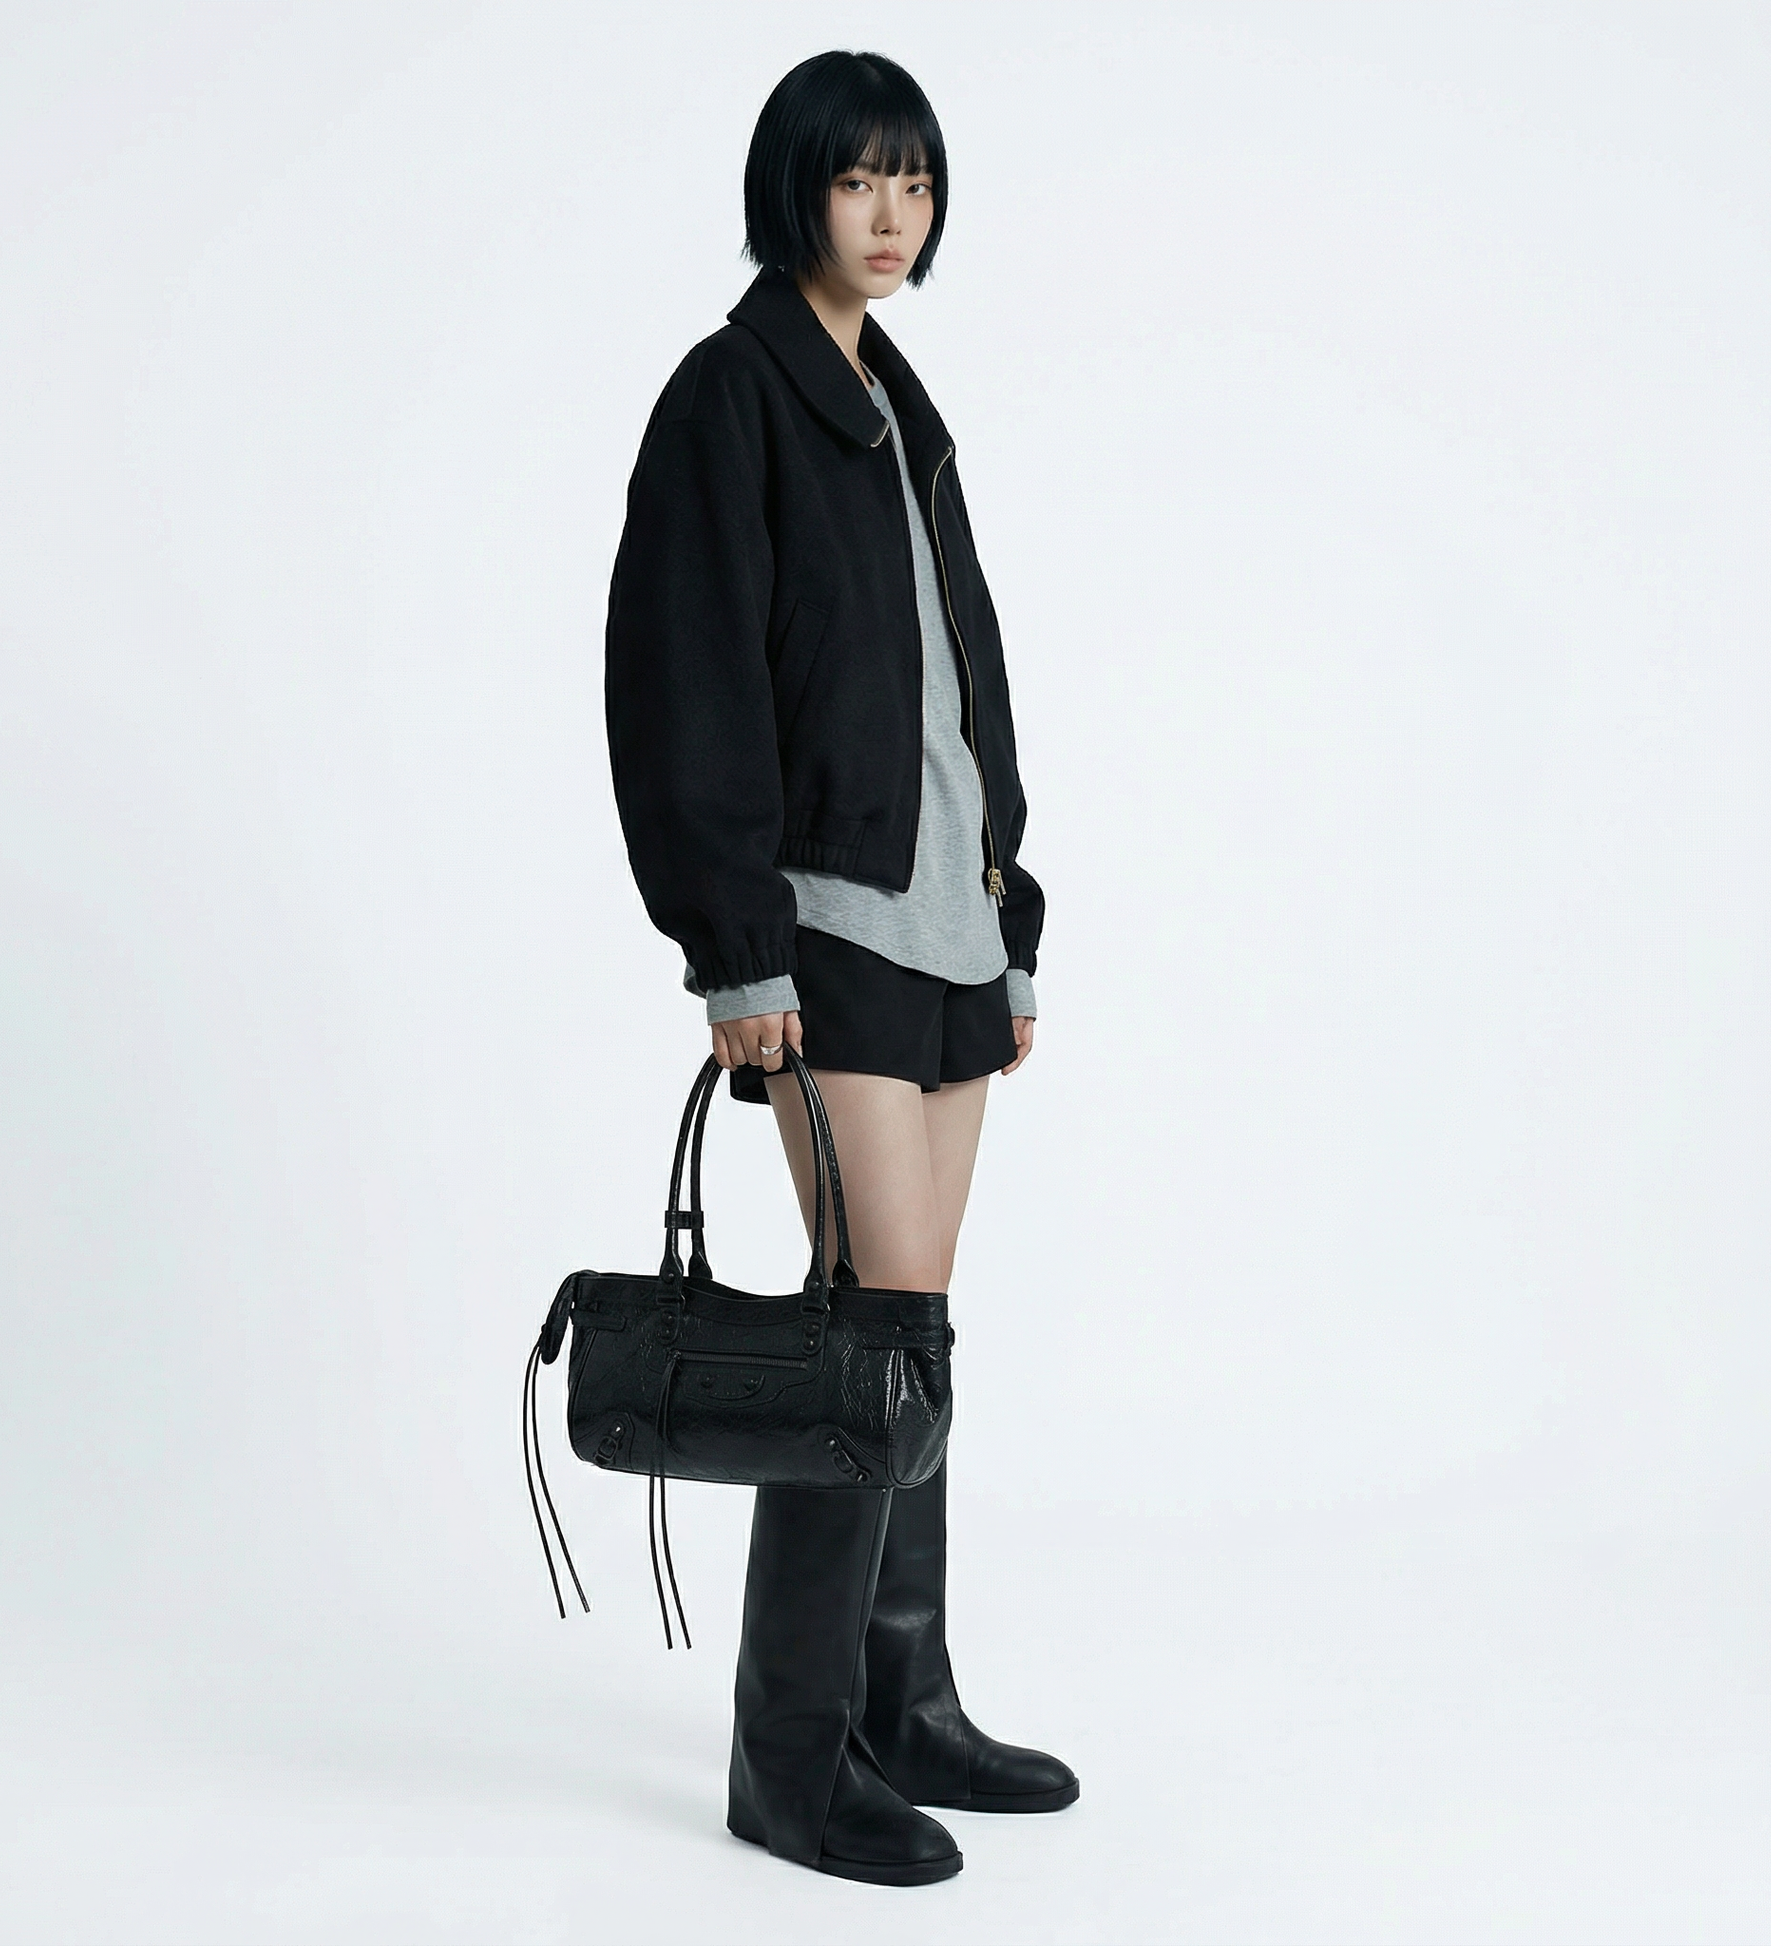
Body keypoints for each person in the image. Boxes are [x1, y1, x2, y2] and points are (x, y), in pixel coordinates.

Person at [603, 48, 1076, 1887]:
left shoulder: (898, 407)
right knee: (867, 1318)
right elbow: (685, 677)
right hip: (827, 920)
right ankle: (789, 1755)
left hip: (945, 914)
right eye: (859, 179)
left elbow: (961, 683)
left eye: (915, 183)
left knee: (910, 1325)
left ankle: (902, 1699)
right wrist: (735, 952)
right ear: (792, 189)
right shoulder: (730, 397)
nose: (891, 215)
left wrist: (1007, 911)